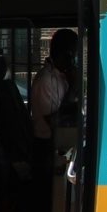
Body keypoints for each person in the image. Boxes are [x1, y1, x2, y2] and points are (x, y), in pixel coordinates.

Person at [29, 29, 81, 162]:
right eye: (74, 54)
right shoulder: (45, 80)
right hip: (46, 147)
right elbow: (55, 122)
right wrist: (73, 88)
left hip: (59, 141)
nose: (75, 59)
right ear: (67, 54)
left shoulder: (61, 77)